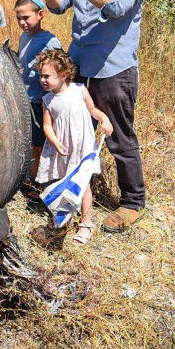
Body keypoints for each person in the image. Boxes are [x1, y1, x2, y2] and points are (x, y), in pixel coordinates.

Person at [39, 0, 149, 234]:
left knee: (119, 138)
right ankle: (74, 198)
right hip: (78, 70)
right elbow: (57, 5)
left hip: (113, 69)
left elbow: (117, 7)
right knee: (74, 136)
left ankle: (132, 202)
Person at [31, 49, 113, 246]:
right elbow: (47, 125)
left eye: (47, 76)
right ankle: (63, 216)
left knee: (83, 184)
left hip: (82, 147)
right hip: (63, 149)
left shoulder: (79, 90)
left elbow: (93, 110)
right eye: (40, 75)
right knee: (65, 184)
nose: (42, 80)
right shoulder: (48, 100)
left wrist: (105, 119)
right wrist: (54, 141)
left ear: (63, 75)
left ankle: (86, 223)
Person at [13, 0, 62, 184]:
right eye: (18, 18)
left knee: (38, 143)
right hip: (25, 97)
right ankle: (28, 175)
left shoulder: (49, 41)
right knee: (27, 140)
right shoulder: (24, 37)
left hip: (39, 101)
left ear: (40, 14)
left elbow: (59, 70)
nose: (22, 22)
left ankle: (37, 180)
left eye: (26, 17)